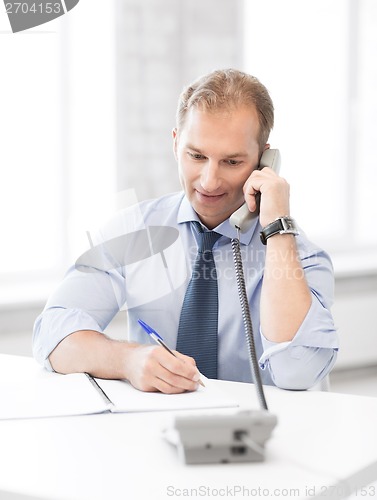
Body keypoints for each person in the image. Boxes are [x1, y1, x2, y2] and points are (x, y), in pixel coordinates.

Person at [33, 68, 338, 394]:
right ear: (176, 143)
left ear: (265, 161)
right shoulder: (134, 231)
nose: (209, 181)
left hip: (266, 435)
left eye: (232, 162)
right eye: (196, 156)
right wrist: (128, 360)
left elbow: (297, 372)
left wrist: (277, 227)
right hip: (159, 428)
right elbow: (52, 333)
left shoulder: (301, 257)